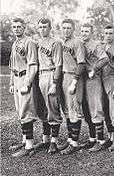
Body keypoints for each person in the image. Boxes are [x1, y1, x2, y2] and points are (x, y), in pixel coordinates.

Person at [9, 18, 38, 157]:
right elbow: (12, 65)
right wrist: (11, 83)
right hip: (16, 77)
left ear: (24, 27)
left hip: (25, 77)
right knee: (20, 111)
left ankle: (29, 147)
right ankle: (24, 140)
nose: (16, 29)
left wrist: (27, 83)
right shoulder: (15, 43)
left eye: (19, 26)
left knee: (26, 112)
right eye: (14, 26)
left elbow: (33, 64)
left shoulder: (29, 42)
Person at [34, 18, 63, 154]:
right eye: (40, 27)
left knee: (53, 109)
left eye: (45, 27)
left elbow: (58, 65)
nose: (42, 29)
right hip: (40, 75)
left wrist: (55, 83)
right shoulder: (37, 42)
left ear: (50, 28)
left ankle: (54, 141)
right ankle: (46, 139)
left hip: (51, 74)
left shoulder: (56, 43)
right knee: (42, 109)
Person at [80, 23, 110, 152]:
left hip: (93, 79)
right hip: (83, 78)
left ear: (91, 32)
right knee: (86, 110)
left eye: (87, 31)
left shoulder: (95, 45)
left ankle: (101, 140)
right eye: (82, 31)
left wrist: (95, 68)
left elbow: (105, 59)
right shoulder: (80, 44)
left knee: (96, 108)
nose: (84, 33)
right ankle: (92, 139)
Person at [58, 19, 86, 155]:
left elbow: (81, 64)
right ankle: (70, 140)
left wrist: (74, 81)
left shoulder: (77, 42)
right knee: (68, 110)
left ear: (73, 29)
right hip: (65, 75)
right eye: (64, 28)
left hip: (74, 76)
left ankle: (75, 143)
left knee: (75, 109)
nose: (66, 30)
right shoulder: (63, 42)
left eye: (69, 28)